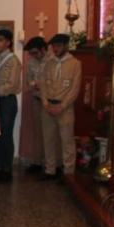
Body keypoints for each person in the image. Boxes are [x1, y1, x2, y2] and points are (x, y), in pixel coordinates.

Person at [39, 34, 82, 181]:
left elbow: (75, 89)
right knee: (48, 140)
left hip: (65, 107)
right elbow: (42, 84)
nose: (55, 49)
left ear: (65, 46)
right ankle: (50, 170)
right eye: (53, 46)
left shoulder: (75, 64)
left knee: (67, 142)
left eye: (58, 46)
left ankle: (68, 173)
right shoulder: (48, 63)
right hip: (48, 106)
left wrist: (62, 106)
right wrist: (45, 103)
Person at [0, 29, 22, 182]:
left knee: (6, 135)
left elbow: (11, 84)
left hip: (7, 100)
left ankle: (7, 169)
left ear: (8, 42)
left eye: (1, 40)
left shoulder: (13, 60)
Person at [23, 36, 49, 174]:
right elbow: (29, 81)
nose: (33, 56)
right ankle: (37, 162)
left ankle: (51, 165)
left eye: (35, 53)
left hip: (50, 102)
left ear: (43, 50)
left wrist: (43, 85)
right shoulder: (31, 62)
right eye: (31, 53)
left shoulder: (51, 61)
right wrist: (35, 84)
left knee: (50, 134)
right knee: (38, 133)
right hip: (37, 100)